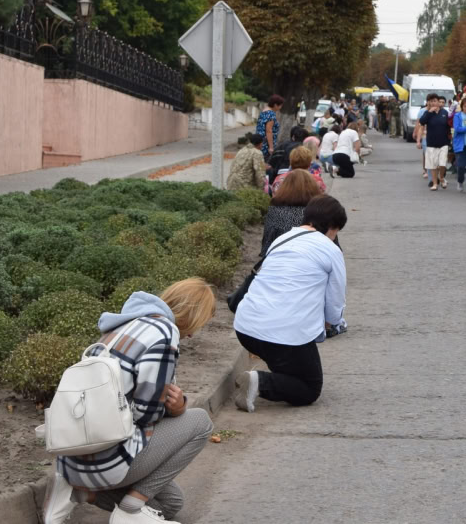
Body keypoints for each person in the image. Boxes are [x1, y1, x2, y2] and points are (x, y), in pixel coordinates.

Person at [43, 279, 216, 524]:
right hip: (109, 456)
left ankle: (82, 491)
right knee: (201, 422)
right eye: (198, 325)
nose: (192, 333)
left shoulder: (120, 328)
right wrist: (177, 409)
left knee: (170, 503)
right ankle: (130, 512)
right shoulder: (165, 334)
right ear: (193, 315)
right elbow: (147, 414)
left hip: (74, 453)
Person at [233, 196, 348, 411]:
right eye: (336, 231)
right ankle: (259, 382)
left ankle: (262, 381)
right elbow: (335, 302)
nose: (335, 237)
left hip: (246, 326)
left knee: (290, 363)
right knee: (309, 387)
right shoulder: (331, 250)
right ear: (332, 226)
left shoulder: (283, 239)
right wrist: (334, 323)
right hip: (286, 333)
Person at [261, 169, 320, 255]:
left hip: (281, 261)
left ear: (284, 188)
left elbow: (266, 247)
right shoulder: (320, 212)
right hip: (314, 261)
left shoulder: (275, 212)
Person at [416, 93, 451, 190]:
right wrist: (429, 112)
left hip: (443, 142)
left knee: (442, 163)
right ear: (428, 103)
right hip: (431, 143)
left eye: (435, 101)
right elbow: (421, 122)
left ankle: (442, 178)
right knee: (433, 165)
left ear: (438, 102)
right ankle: (435, 183)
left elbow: (449, 126)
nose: (433, 103)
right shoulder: (427, 113)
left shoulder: (445, 112)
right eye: (431, 101)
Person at [256, 95, 283, 161]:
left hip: (259, 141)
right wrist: (271, 147)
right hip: (266, 144)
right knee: (266, 163)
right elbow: (269, 130)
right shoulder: (271, 114)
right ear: (275, 105)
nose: (280, 107)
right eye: (280, 105)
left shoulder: (264, 111)